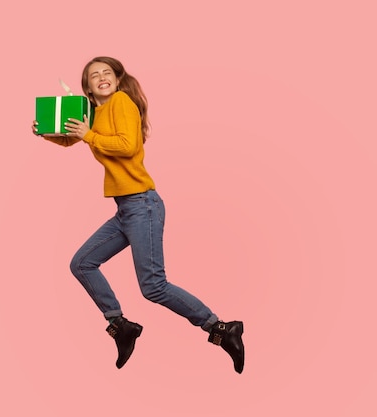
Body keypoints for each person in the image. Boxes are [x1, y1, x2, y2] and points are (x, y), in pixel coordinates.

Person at [32, 56, 244, 373]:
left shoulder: (121, 101)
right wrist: (45, 132)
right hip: (126, 209)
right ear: (87, 88)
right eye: (94, 75)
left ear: (117, 80)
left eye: (107, 73)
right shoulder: (95, 111)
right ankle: (121, 325)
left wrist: (89, 135)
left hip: (142, 204)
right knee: (82, 263)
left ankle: (220, 328)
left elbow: (127, 146)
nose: (101, 77)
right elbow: (72, 137)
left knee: (153, 286)